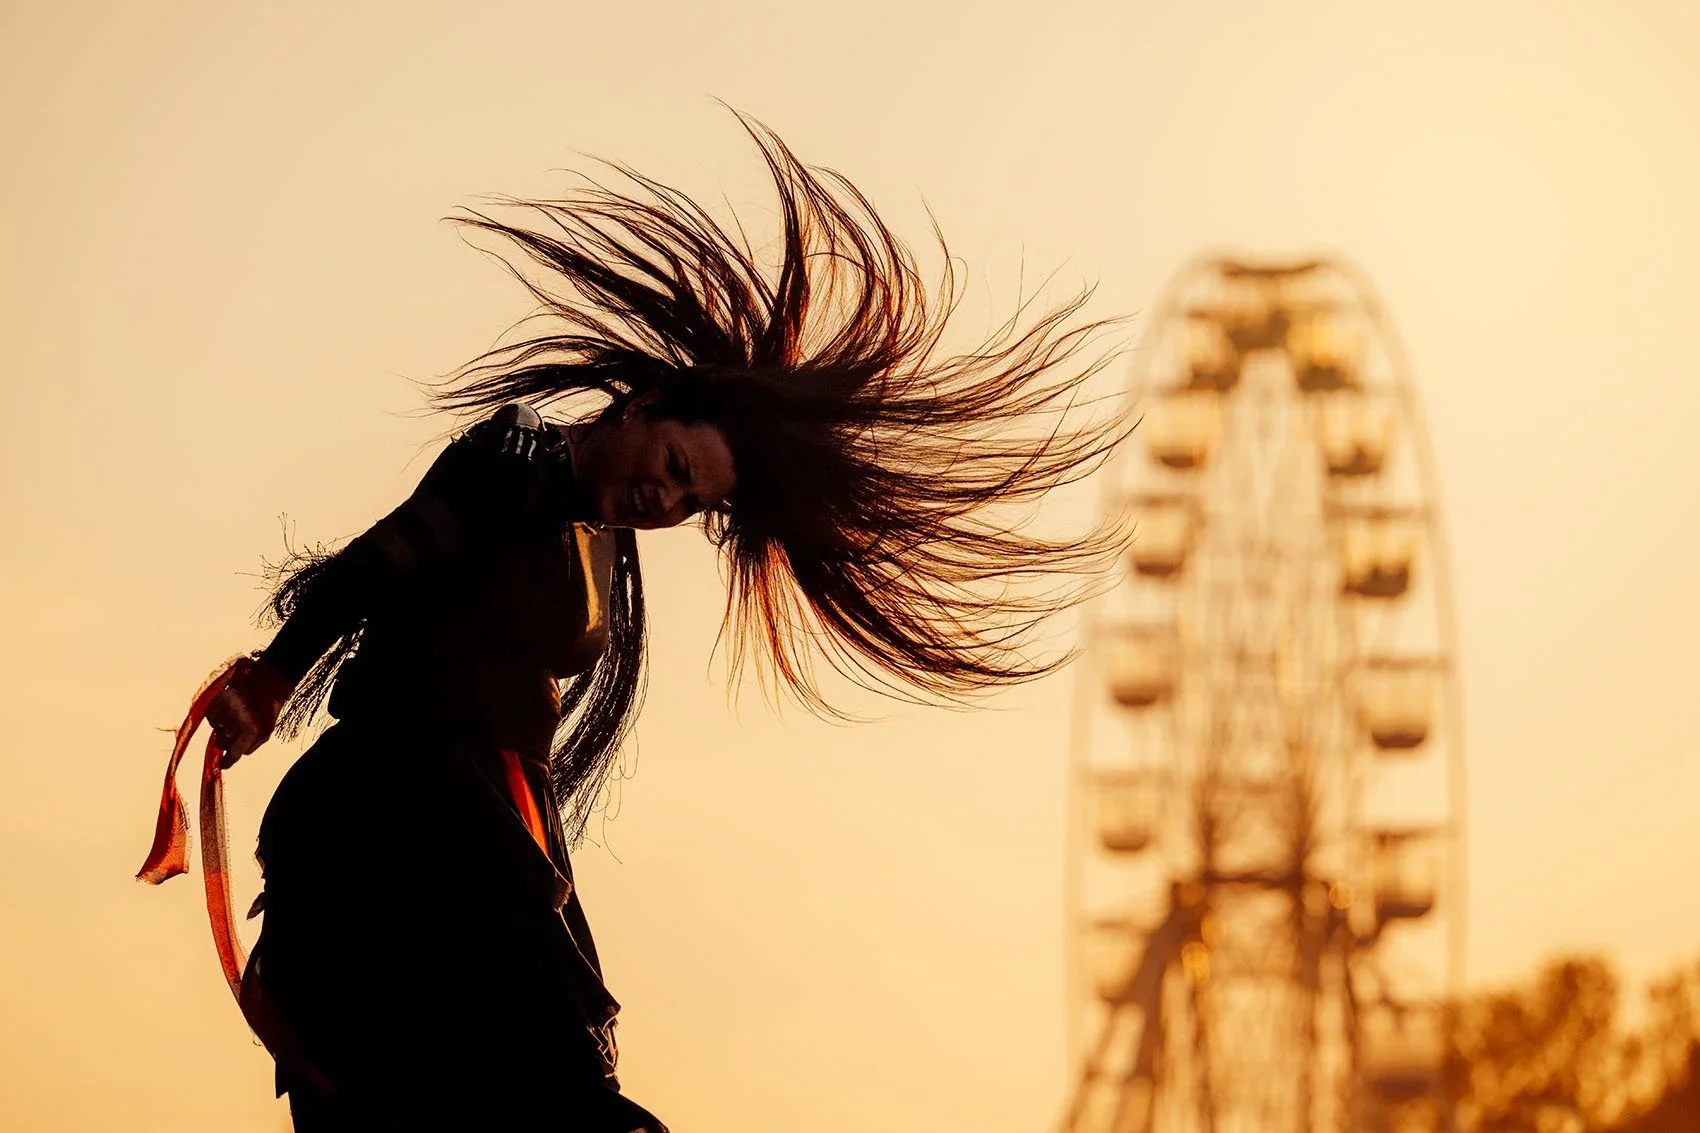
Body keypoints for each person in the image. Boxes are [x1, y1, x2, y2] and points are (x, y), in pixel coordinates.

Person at [179, 115, 1130, 1131]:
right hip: (393, 815)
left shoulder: (599, 545)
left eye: (693, 503)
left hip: (482, 830)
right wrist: (275, 675)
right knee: (543, 1056)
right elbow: (378, 562)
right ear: (641, 407)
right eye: (676, 467)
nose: (666, 501)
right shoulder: (509, 460)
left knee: (546, 1050)